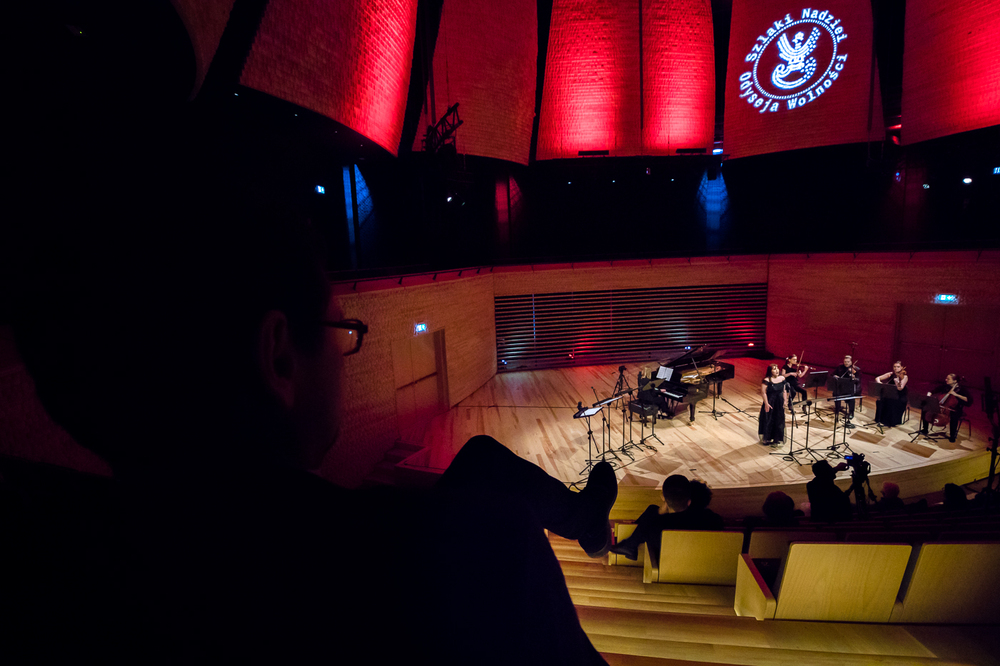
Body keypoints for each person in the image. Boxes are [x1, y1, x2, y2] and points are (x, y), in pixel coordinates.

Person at [9, 131, 615, 664]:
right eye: (340, 331)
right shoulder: (481, 554)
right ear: (278, 356)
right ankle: (585, 519)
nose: (344, 352)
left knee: (482, 459)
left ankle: (583, 516)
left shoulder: (50, 577)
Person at [920, 373, 973, 443]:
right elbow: (935, 390)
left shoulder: (962, 389)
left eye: (948, 379)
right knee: (925, 408)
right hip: (943, 406)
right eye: (946, 378)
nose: (946, 380)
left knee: (954, 417)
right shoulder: (946, 386)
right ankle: (925, 429)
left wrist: (956, 394)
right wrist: (930, 393)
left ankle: (952, 435)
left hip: (955, 408)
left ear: (955, 381)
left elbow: (969, 400)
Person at [758, 364, 787, 445]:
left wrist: (785, 401)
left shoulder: (782, 378)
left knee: (778, 420)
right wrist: (766, 404)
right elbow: (763, 392)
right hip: (770, 401)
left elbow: (784, 390)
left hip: (779, 402)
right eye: (774, 369)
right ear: (770, 371)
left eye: (777, 368)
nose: (777, 370)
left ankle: (776, 438)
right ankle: (766, 438)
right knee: (769, 420)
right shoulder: (767, 380)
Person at [874, 361, 909, 427]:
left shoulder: (904, 377)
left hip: (899, 398)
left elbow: (900, 388)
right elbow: (877, 378)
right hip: (890, 395)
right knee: (879, 400)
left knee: (891, 403)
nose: (896, 368)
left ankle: (888, 422)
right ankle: (879, 419)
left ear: (901, 367)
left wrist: (897, 380)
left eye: (898, 367)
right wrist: (880, 383)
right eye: (894, 367)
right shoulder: (891, 374)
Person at [833, 355, 861, 420]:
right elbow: (833, 374)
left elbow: (858, 380)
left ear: (851, 362)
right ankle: (837, 408)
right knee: (835, 393)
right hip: (841, 387)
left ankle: (851, 413)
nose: (846, 363)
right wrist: (835, 376)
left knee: (851, 398)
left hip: (850, 388)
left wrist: (853, 377)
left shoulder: (856, 369)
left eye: (848, 362)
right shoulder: (840, 367)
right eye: (845, 361)